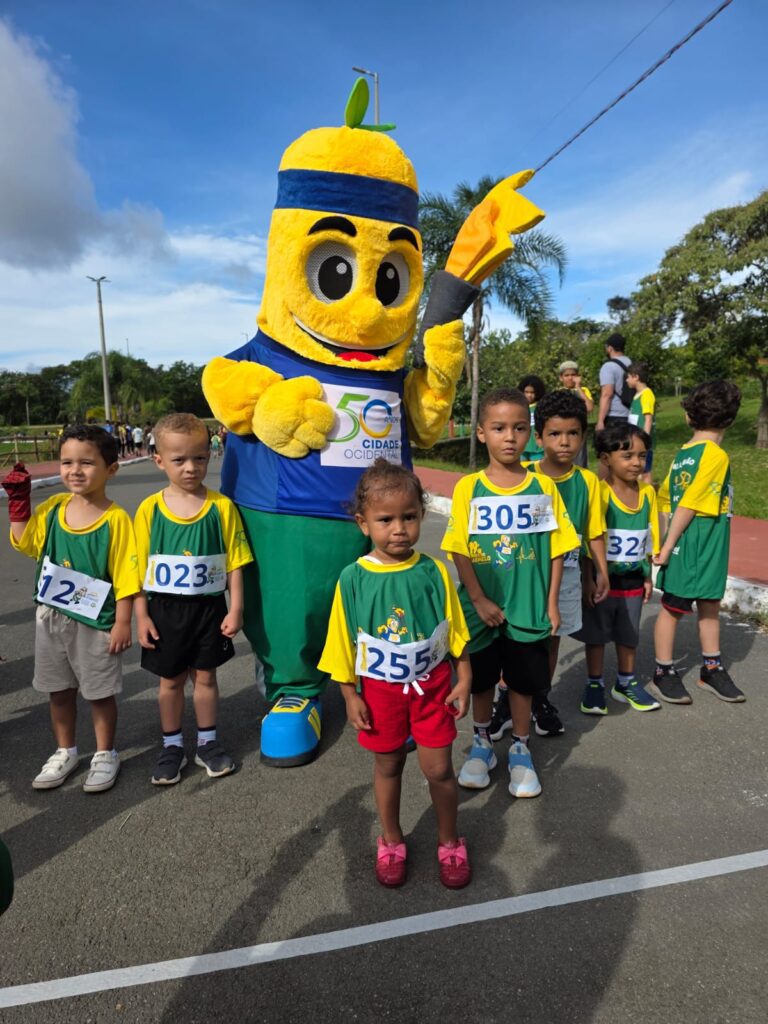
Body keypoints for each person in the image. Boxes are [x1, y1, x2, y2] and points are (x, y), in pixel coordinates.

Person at [318, 459, 472, 889]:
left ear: (422, 515)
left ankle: (449, 842)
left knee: (439, 769)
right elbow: (341, 642)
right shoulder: (353, 578)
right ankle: (391, 840)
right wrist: (349, 695)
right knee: (388, 765)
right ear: (363, 523)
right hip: (380, 694)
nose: (399, 529)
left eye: (409, 516)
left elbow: (454, 630)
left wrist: (463, 677)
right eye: (385, 520)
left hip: (433, 690)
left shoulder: (433, 570)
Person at [441, 387, 578, 799]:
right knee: (481, 681)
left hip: (529, 607)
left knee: (522, 682)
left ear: (529, 433)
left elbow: (556, 548)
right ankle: (482, 743)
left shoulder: (543, 487)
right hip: (479, 609)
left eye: (519, 428)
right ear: (481, 432)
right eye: (499, 428)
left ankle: (520, 746)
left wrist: (551, 602)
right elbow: (458, 548)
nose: (510, 437)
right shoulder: (469, 488)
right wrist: (478, 599)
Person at [2, 426, 140, 792]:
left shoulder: (116, 519)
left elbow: (126, 573)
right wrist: (19, 505)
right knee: (58, 690)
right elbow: (27, 543)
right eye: (66, 462)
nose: (74, 470)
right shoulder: (52, 509)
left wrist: (123, 621)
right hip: (51, 618)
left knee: (98, 692)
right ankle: (66, 751)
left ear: (111, 469)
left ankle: (105, 753)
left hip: (95, 622)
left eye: (86, 463)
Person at [134, 413, 253, 785]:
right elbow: (137, 569)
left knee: (206, 677)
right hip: (164, 611)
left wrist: (236, 608)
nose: (190, 467)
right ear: (159, 460)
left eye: (199, 458)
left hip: (208, 610)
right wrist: (142, 616)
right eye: (179, 459)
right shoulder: (150, 509)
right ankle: (172, 746)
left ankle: (207, 742)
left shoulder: (221, 507)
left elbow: (235, 562)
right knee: (170, 681)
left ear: (210, 455)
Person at [489, 389, 608, 740]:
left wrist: (597, 572)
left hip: (567, 574)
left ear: (583, 436)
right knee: (514, 638)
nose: (564, 442)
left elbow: (592, 533)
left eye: (573, 433)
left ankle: (540, 697)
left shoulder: (588, 482)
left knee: (551, 639)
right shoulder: (524, 476)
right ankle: (505, 700)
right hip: (522, 575)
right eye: (555, 434)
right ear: (538, 437)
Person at [651, 380, 744, 705]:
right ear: (730, 420)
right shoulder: (715, 455)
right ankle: (663, 671)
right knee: (674, 607)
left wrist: (662, 538)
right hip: (699, 542)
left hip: (698, 541)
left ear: (689, 417)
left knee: (708, 603)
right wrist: (667, 547)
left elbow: (664, 499)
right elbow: (688, 504)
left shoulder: (684, 454)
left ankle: (711, 668)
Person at [573, 422, 660, 715]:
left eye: (642, 455)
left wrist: (647, 576)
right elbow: (591, 538)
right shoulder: (599, 493)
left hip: (632, 581)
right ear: (606, 458)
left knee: (628, 634)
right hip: (602, 582)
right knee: (596, 635)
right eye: (627, 455)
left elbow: (647, 537)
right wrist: (589, 578)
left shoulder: (648, 494)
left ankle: (625, 682)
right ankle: (594, 683)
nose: (636, 462)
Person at [558, 360, 594, 467]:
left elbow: (589, 407)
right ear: (561, 378)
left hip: (579, 430)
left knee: (580, 459)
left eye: (573, 375)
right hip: (563, 430)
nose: (570, 378)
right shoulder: (559, 392)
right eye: (566, 375)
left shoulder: (583, 391)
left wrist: (578, 388)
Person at [626, 362, 656, 484]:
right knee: (638, 471)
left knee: (645, 472)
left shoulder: (647, 394)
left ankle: (649, 494)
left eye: (628, 377)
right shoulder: (637, 395)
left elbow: (648, 419)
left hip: (642, 441)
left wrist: (645, 440)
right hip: (635, 439)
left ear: (636, 377)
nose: (626, 380)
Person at [596, 333, 632, 432]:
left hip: (614, 415)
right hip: (631, 412)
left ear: (610, 348)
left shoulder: (608, 366)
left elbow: (607, 394)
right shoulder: (631, 363)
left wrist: (600, 420)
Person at [518, 375, 547, 463]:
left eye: (532, 392)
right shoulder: (518, 407)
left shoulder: (541, 407)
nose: (529, 395)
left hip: (537, 447)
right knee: (522, 469)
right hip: (522, 445)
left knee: (537, 469)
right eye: (526, 392)